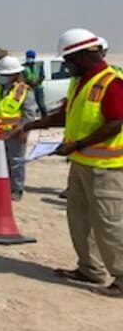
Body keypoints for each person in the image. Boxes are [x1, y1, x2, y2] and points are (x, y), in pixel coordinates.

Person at [18, 28, 123, 297]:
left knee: (108, 223)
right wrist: (31, 125)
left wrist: (76, 144)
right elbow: (64, 115)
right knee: (79, 218)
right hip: (81, 163)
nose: (66, 65)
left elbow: (115, 123)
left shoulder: (111, 82)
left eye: (69, 60)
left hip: (107, 168)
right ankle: (90, 268)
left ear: (86, 55)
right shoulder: (80, 82)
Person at [0, 55, 36, 201]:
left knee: (16, 162)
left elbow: (29, 115)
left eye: (6, 75)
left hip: (15, 132)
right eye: (2, 74)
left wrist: (21, 131)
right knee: (0, 161)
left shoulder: (24, 90)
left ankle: (16, 189)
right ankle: (1, 187)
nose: (3, 77)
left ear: (15, 75)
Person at [23, 49, 49, 119]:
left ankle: (45, 119)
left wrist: (37, 83)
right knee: (29, 105)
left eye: (31, 57)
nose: (30, 58)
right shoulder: (23, 67)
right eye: (28, 57)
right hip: (28, 88)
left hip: (38, 87)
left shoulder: (39, 65)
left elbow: (42, 76)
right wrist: (30, 83)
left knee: (41, 105)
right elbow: (22, 77)